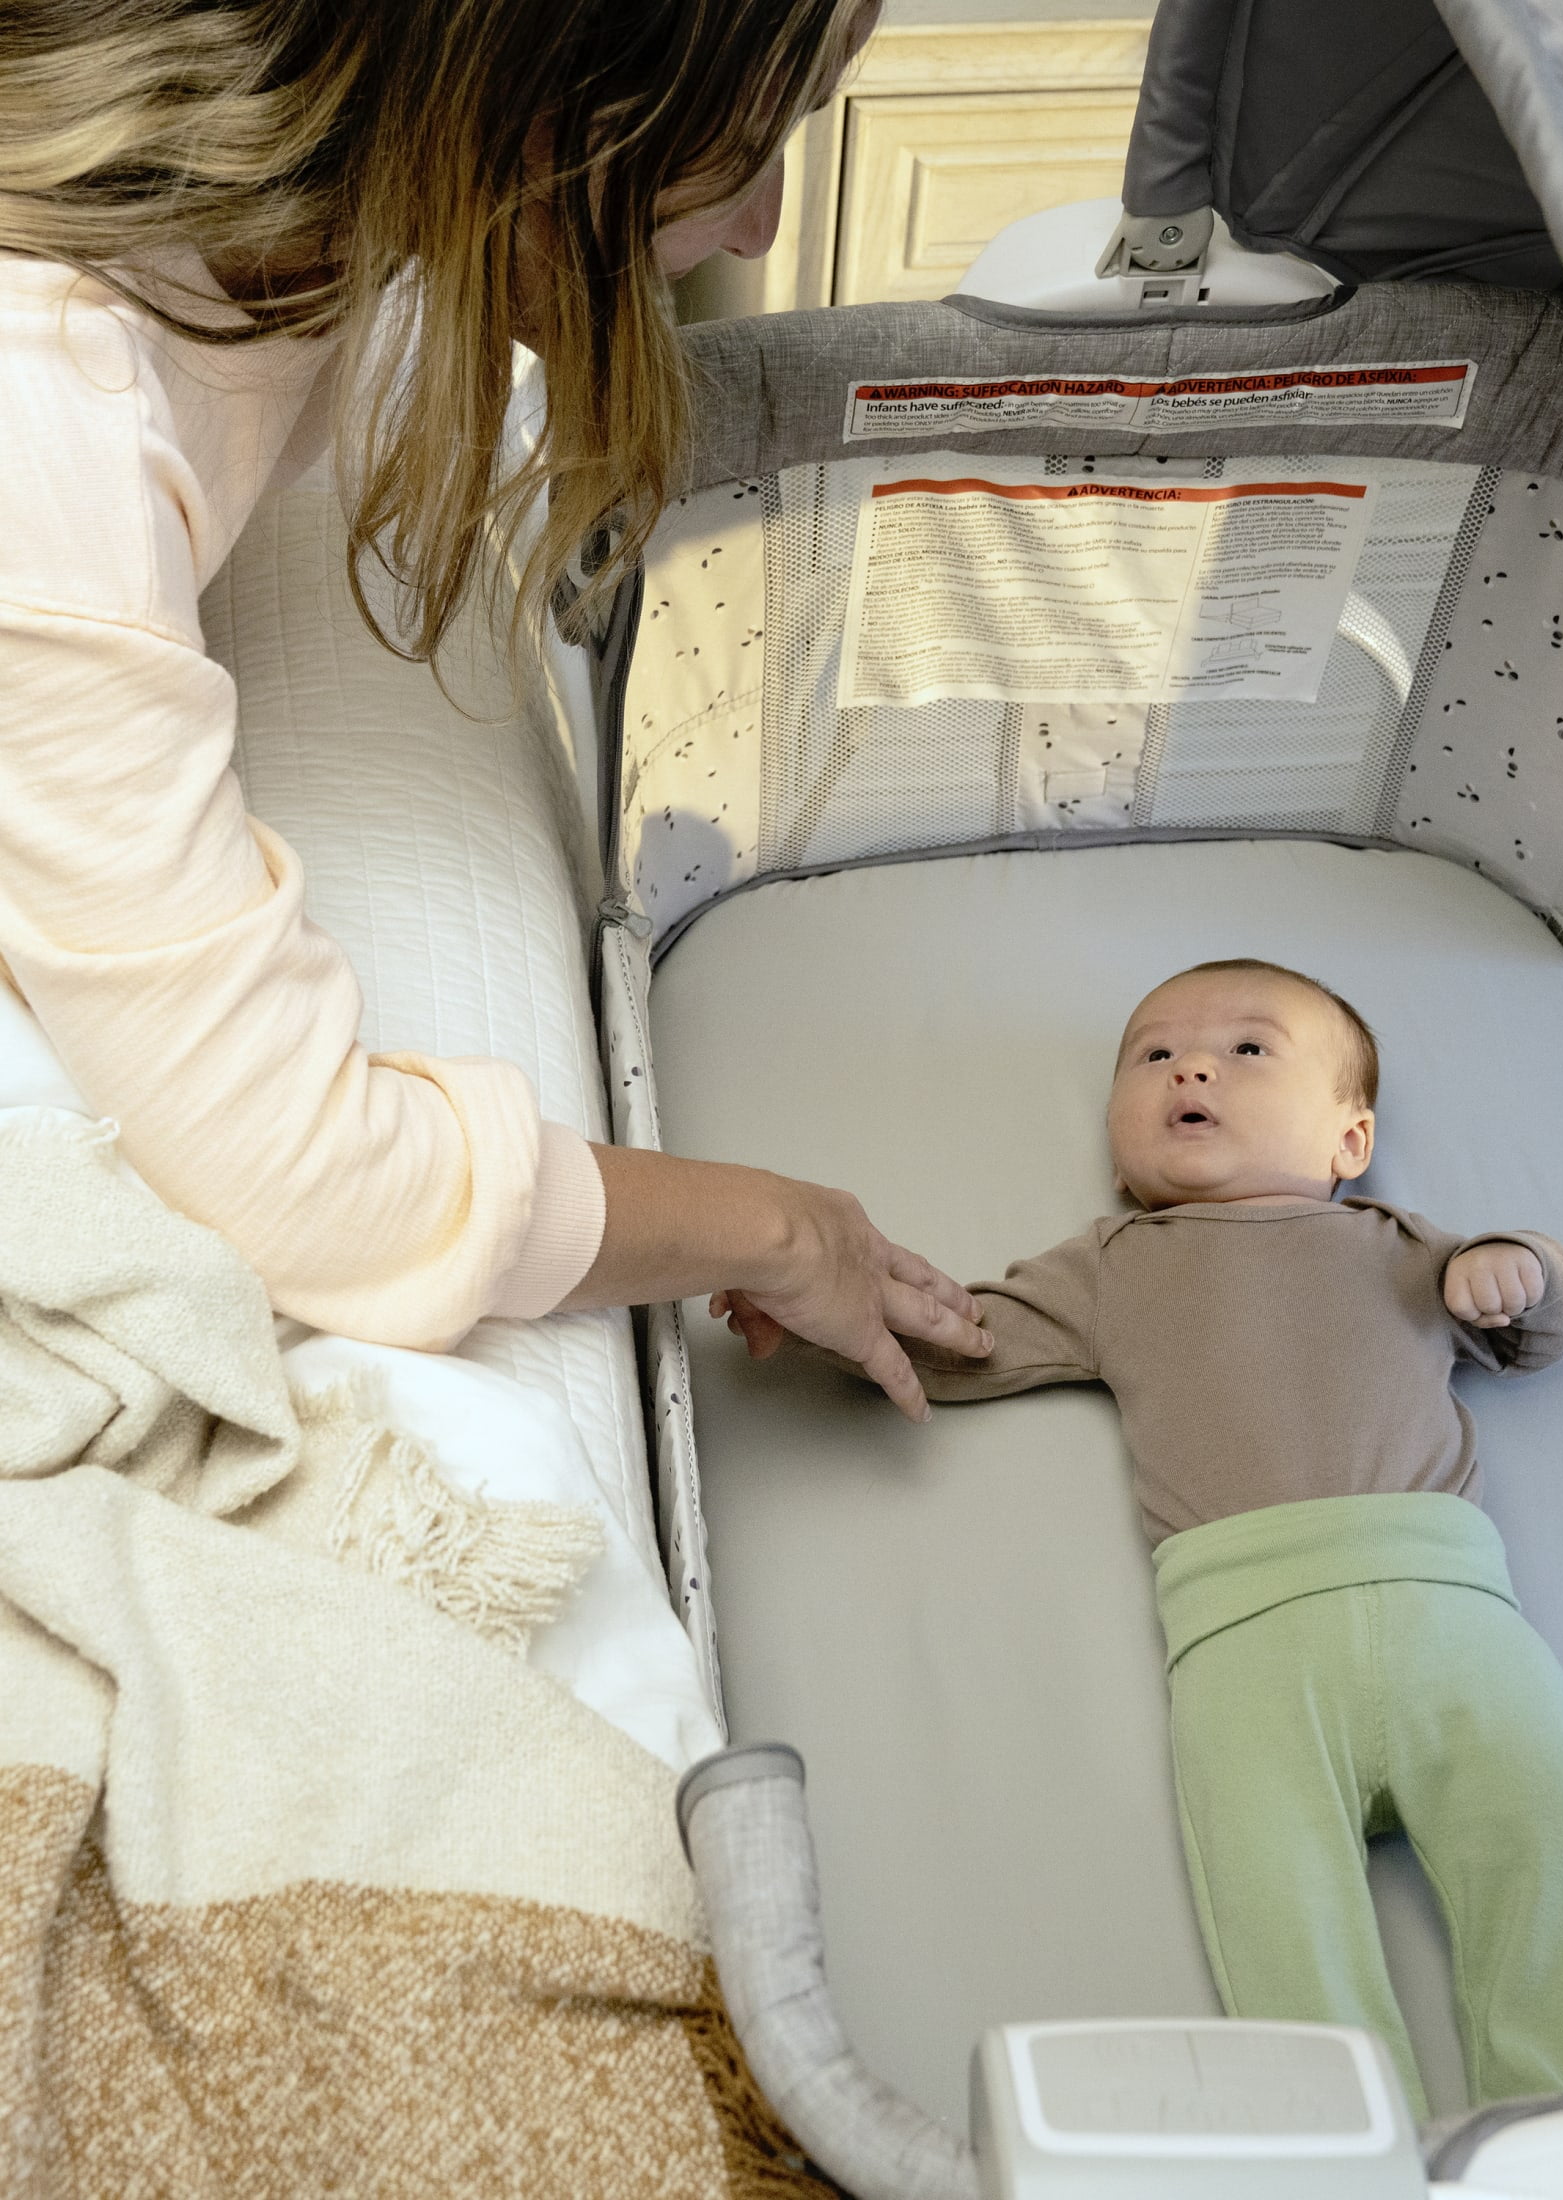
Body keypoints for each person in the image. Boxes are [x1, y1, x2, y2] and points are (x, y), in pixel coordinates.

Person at [0, 0, 986, 1402]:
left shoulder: (305, 179)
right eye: (748, 145)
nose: (763, 224)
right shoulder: (51, 410)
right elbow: (310, 1184)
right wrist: (781, 1231)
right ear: (548, 117)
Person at [734, 957, 1563, 2115]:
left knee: (1551, 1845)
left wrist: (1524, 1268)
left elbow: (1533, 1332)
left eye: (1247, 1049)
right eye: (1154, 1055)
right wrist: (828, 1314)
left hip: (1449, 1613)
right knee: (1279, 1919)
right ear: (1120, 1155)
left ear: (1349, 1139)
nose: (1192, 1068)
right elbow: (966, 1338)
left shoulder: (1402, 1246)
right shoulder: (1115, 1266)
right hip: (1247, 1643)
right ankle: (1354, 2148)